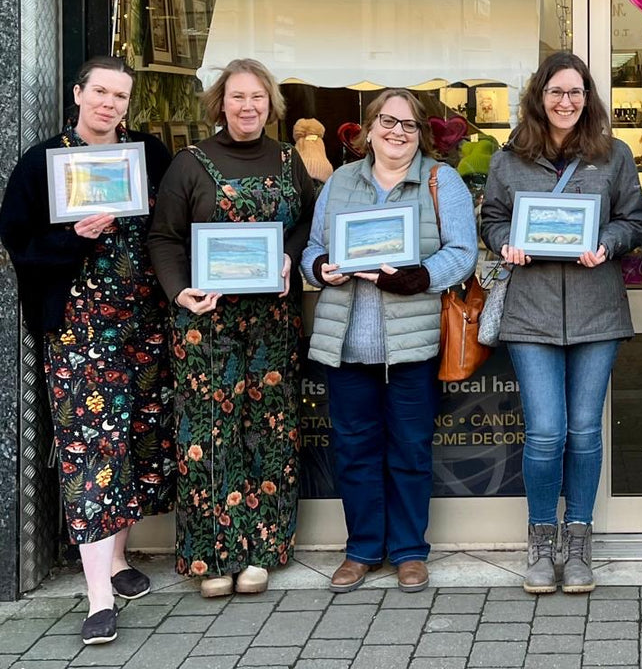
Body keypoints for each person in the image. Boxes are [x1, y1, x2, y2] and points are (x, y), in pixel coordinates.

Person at [0, 57, 173, 646]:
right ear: (78, 93)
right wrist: (73, 237)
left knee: (132, 442)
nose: (109, 103)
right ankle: (98, 594)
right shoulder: (42, 163)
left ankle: (120, 561)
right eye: (100, 91)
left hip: (144, 326)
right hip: (78, 331)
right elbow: (17, 243)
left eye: (120, 95)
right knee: (89, 446)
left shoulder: (149, 156)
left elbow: (174, 228)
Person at [148, 58, 316, 598]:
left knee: (271, 428)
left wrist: (290, 257)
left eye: (259, 98)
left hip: (272, 318)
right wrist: (180, 291)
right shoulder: (189, 163)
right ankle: (213, 556)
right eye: (238, 97)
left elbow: (309, 223)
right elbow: (163, 239)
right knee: (209, 435)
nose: (248, 107)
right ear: (220, 102)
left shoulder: (290, 161)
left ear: (272, 105)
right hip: (205, 316)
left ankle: (263, 550)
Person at [479, 52, 642, 594]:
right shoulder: (510, 159)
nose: (566, 102)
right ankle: (541, 539)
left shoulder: (614, 155)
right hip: (531, 313)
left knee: (584, 431)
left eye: (575, 92)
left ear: (587, 97)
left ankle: (579, 541)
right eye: (556, 92)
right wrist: (505, 242)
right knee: (547, 433)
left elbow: (634, 219)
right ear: (539, 96)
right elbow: (493, 218)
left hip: (597, 311)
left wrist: (608, 243)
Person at [302, 89, 478, 593]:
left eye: (408, 124)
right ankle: (361, 550)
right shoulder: (339, 182)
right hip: (348, 341)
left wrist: (418, 277)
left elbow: (463, 252)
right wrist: (319, 268)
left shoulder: (442, 183)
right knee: (354, 448)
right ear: (370, 127)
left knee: (410, 449)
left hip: (412, 343)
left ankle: (407, 551)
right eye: (387, 121)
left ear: (421, 133)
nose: (397, 132)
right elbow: (314, 246)